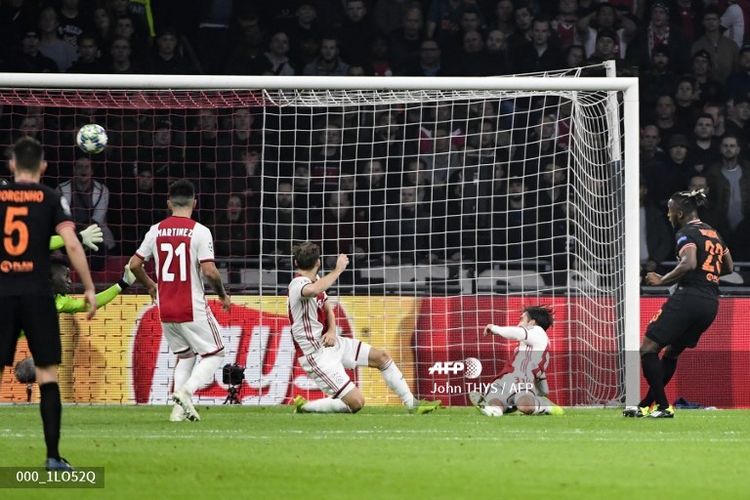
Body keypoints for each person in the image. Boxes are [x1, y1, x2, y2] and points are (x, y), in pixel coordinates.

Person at [0, 137, 97, 470]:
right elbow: (71, 243)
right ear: (43, 166)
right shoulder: (51, 197)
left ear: (12, 165)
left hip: (1, 292)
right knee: (48, 375)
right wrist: (88, 286)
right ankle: (53, 457)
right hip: (38, 295)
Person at [289, 241, 440, 414]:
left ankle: (412, 404)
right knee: (356, 402)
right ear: (318, 262)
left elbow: (328, 308)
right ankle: (305, 407)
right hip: (315, 354)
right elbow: (315, 290)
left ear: (295, 262)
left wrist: (331, 330)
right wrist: (338, 269)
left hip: (332, 343)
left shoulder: (317, 280)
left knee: (381, 357)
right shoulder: (297, 284)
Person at [624, 189, 734, 418]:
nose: (668, 214)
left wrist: (661, 279)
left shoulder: (686, 233)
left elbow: (689, 262)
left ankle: (664, 407)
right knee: (671, 353)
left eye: (670, 210)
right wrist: (708, 273)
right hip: (710, 303)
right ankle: (646, 405)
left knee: (648, 349)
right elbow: (729, 267)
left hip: (689, 297)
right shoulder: (713, 233)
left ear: (681, 212)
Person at [128, 180, 231, 422]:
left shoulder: (156, 230)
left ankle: (177, 413)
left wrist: (151, 285)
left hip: (165, 308)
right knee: (216, 354)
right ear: (195, 203)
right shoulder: (200, 231)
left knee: (186, 356)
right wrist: (222, 294)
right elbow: (210, 271)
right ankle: (186, 392)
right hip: (191, 306)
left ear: (168, 203)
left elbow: (134, 265)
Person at [15, 253, 136, 400]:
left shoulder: (60, 302)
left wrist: (122, 284)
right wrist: (75, 238)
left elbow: (90, 303)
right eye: (65, 276)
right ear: (50, 277)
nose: (70, 281)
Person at [468, 306, 564, 417]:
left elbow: (518, 332)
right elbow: (539, 374)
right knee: (495, 402)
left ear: (532, 323)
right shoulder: (533, 347)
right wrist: (543, 392)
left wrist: (494, 328)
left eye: (522, 319)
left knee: (525, 405)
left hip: (522, 382)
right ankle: (494, 410)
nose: (519, 324)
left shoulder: (537, 331)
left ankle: (544, 405)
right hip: (503, 380)